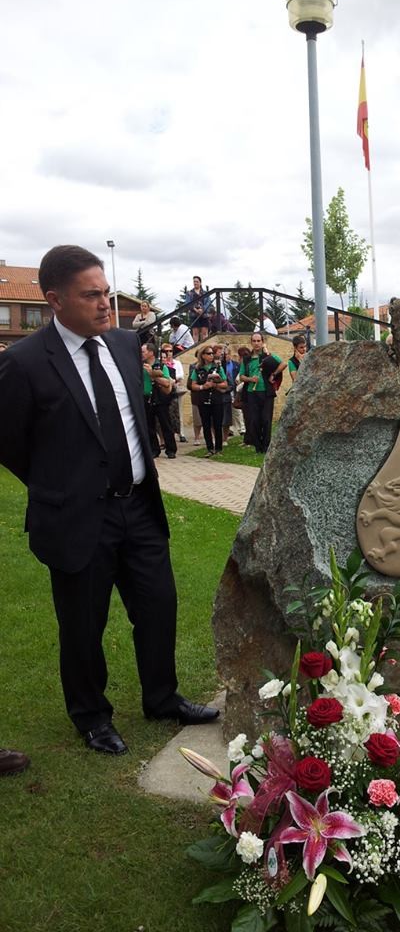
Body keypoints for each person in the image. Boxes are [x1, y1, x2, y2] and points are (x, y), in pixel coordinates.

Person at [0, 245, 219, 756]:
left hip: (138, 507)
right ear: (55, 301)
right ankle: (92, 716)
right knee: (83, 624)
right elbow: (8, 441)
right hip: (78, 518)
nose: (105, 303)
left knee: (159, 605)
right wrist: (57, 485)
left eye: (105, 291)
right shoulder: (25, 363)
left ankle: (162, 698)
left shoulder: (123, 344)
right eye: (91, 295)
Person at [238, 332, 286, 453]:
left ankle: (266, 446)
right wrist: (250, 379)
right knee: (254, 420)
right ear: (251, 343)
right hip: (251, 392)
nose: (256, 343)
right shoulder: (247, 359)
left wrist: (273, 374)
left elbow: (283, 364)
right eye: (254, 341)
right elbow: (242, 376)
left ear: (262, 342)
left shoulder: (267, 356)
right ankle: (258, 446)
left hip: (266, 392)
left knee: (266, 419)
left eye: (258, 341)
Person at [190, 345, 228, 456]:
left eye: (212, 353)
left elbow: (225, 384)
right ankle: (209, 448)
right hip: (203, 399)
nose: (212, 355)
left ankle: (219, 449)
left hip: (216, 399)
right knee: (206, 424)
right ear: (203, 355)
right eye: (209, 353)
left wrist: (215, 384)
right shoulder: (197, 369)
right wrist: (203, 387)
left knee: (217, 424)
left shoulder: (218, 367)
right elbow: (193, 385)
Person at [142, 341, 176, 459]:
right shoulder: (139, 365)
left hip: (160, 398)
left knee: (165, 424)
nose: (141, 353)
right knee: (149, 426)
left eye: (143, 351)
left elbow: (167, 382)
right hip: (146, 398)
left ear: (151, 352)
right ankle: (154, 449)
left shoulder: (161, 366)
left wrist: (152, 374)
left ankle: (171, 449)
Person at [160, 344, 187, 443]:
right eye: (166, 351)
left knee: (177, 412)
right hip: (164, 389)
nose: (168, 353)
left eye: (170, 351)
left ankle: (181, 433)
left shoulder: (177, 363)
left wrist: (174, 380)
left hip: (175, 389)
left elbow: (180, 375)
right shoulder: (162, 363)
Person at [186, 275, 209, 343]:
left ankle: (204, 347)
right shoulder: (189, 293)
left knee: (204, 333)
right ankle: (195, 348)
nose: (195, 283)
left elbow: (208, 302)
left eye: (197, 281)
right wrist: (195, 310)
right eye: (194, 282)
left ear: (200, 283)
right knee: (195, 334)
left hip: (204, 314)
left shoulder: (205, 292)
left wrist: (203, 309)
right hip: (194, 314)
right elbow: (187, 303)